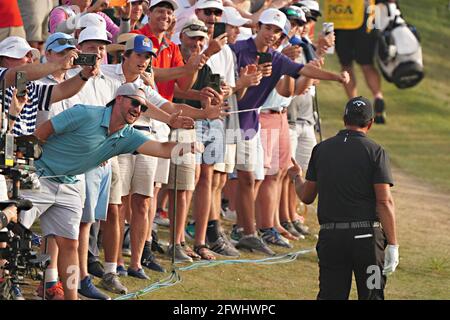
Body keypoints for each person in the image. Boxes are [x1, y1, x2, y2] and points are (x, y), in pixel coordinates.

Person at [19, 83, 202, 300]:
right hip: (40, 178)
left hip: (70, 185)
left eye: (143, 108)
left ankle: (71, 297)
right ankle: (8, 284)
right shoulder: (85, 113)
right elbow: (43, 131)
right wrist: (26, 168)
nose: (138, 110)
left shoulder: (129, 135)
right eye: (135, 103)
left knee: (71, 244)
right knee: (13, 232)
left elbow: (161, 149)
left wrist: (187, 146)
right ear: (118, 99)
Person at [230, 8, 349, 255]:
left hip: (250, 122)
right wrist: (242, 84)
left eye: (277, 31)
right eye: (268, 28)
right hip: (228, 120)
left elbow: (304, 71)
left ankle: (248, 232)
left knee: (251, 178)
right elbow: (229, 87)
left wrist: (335, 77)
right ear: (258, 27)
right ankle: (241, 231)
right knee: (219, 179)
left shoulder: (275, 58)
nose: (271, 34)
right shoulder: (237, 49)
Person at [288, 96, 399, 300]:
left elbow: (306, 196)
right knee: (372, 295)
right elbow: (384, 202)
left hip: (332, 239)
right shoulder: (376, 151)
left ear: (343, 118)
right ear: (371, 123)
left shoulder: (321, 150)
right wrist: (392, 244)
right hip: (368, 243)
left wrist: (296, 176)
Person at [324, 0, 389, 123]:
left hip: (337, 17)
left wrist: (327, 30)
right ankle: (378, 96)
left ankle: (354, 105)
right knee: (367, 64)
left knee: (346, 64)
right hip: (364, 18)